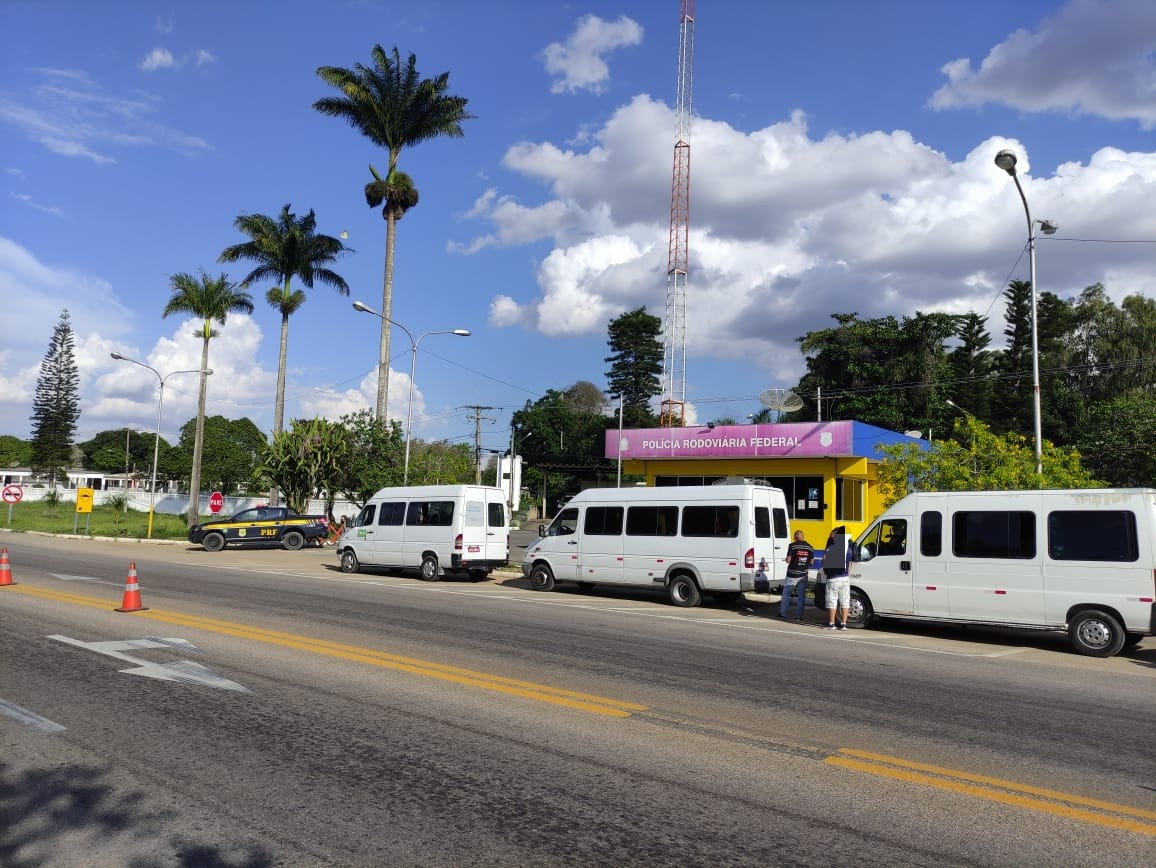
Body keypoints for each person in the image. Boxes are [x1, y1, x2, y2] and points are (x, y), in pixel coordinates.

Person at [779, 530, 814, 621]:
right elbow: (811, 562)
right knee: (801, 596)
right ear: (803, 536)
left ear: (795, 537)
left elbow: (788, 560)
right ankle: (798, 616)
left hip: (792, 574)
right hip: (803, 574)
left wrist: (786, 560)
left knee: (786, 593)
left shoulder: (792, 546)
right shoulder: (810, 547)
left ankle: (783, 614)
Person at [822, 528, 852, 630]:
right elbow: (849, 566)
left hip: (833, 578)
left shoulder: (830, 548)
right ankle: (844, 624)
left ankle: (832, 623)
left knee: (832, 601)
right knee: (845, 601)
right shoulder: (849, 550)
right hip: (845, 578)